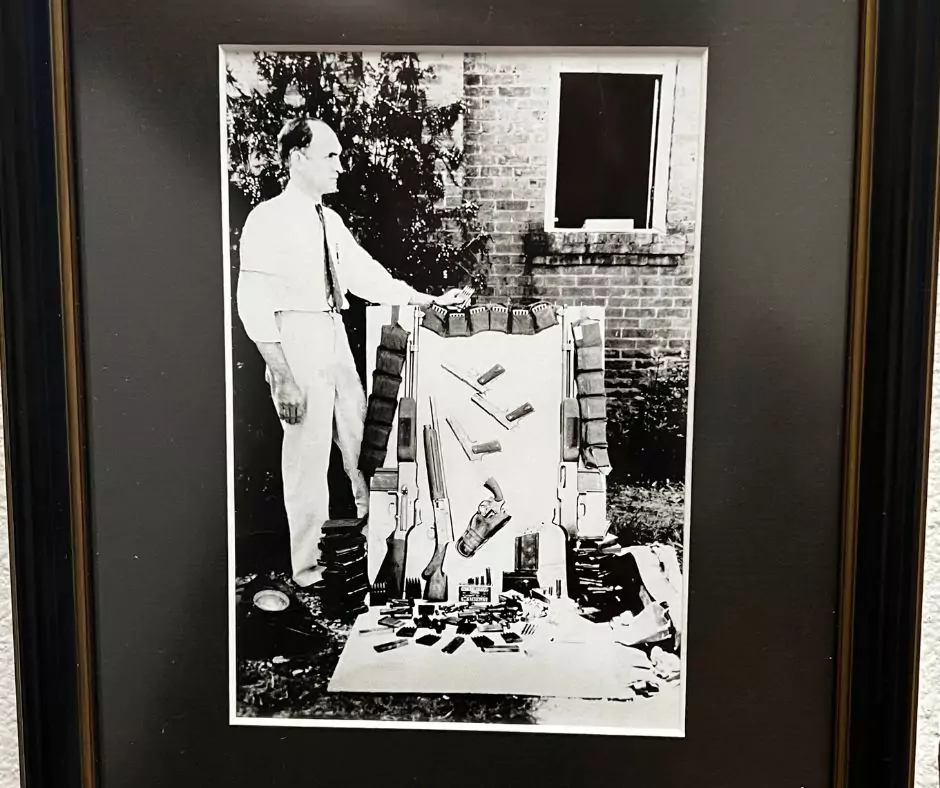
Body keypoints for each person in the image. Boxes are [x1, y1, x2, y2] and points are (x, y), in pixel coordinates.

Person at [236, 116, 470, 587]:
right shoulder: (268, 218)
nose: (340, 166)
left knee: (363, 439)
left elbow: (369, 277)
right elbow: (251, 301)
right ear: (297, 159)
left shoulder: (329, 220)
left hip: (331, 331)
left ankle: (373, 544)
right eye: (330, 156)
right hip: (294, 336)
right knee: (307, 455)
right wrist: (281, 373)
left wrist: (428, 300)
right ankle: (308, 569)